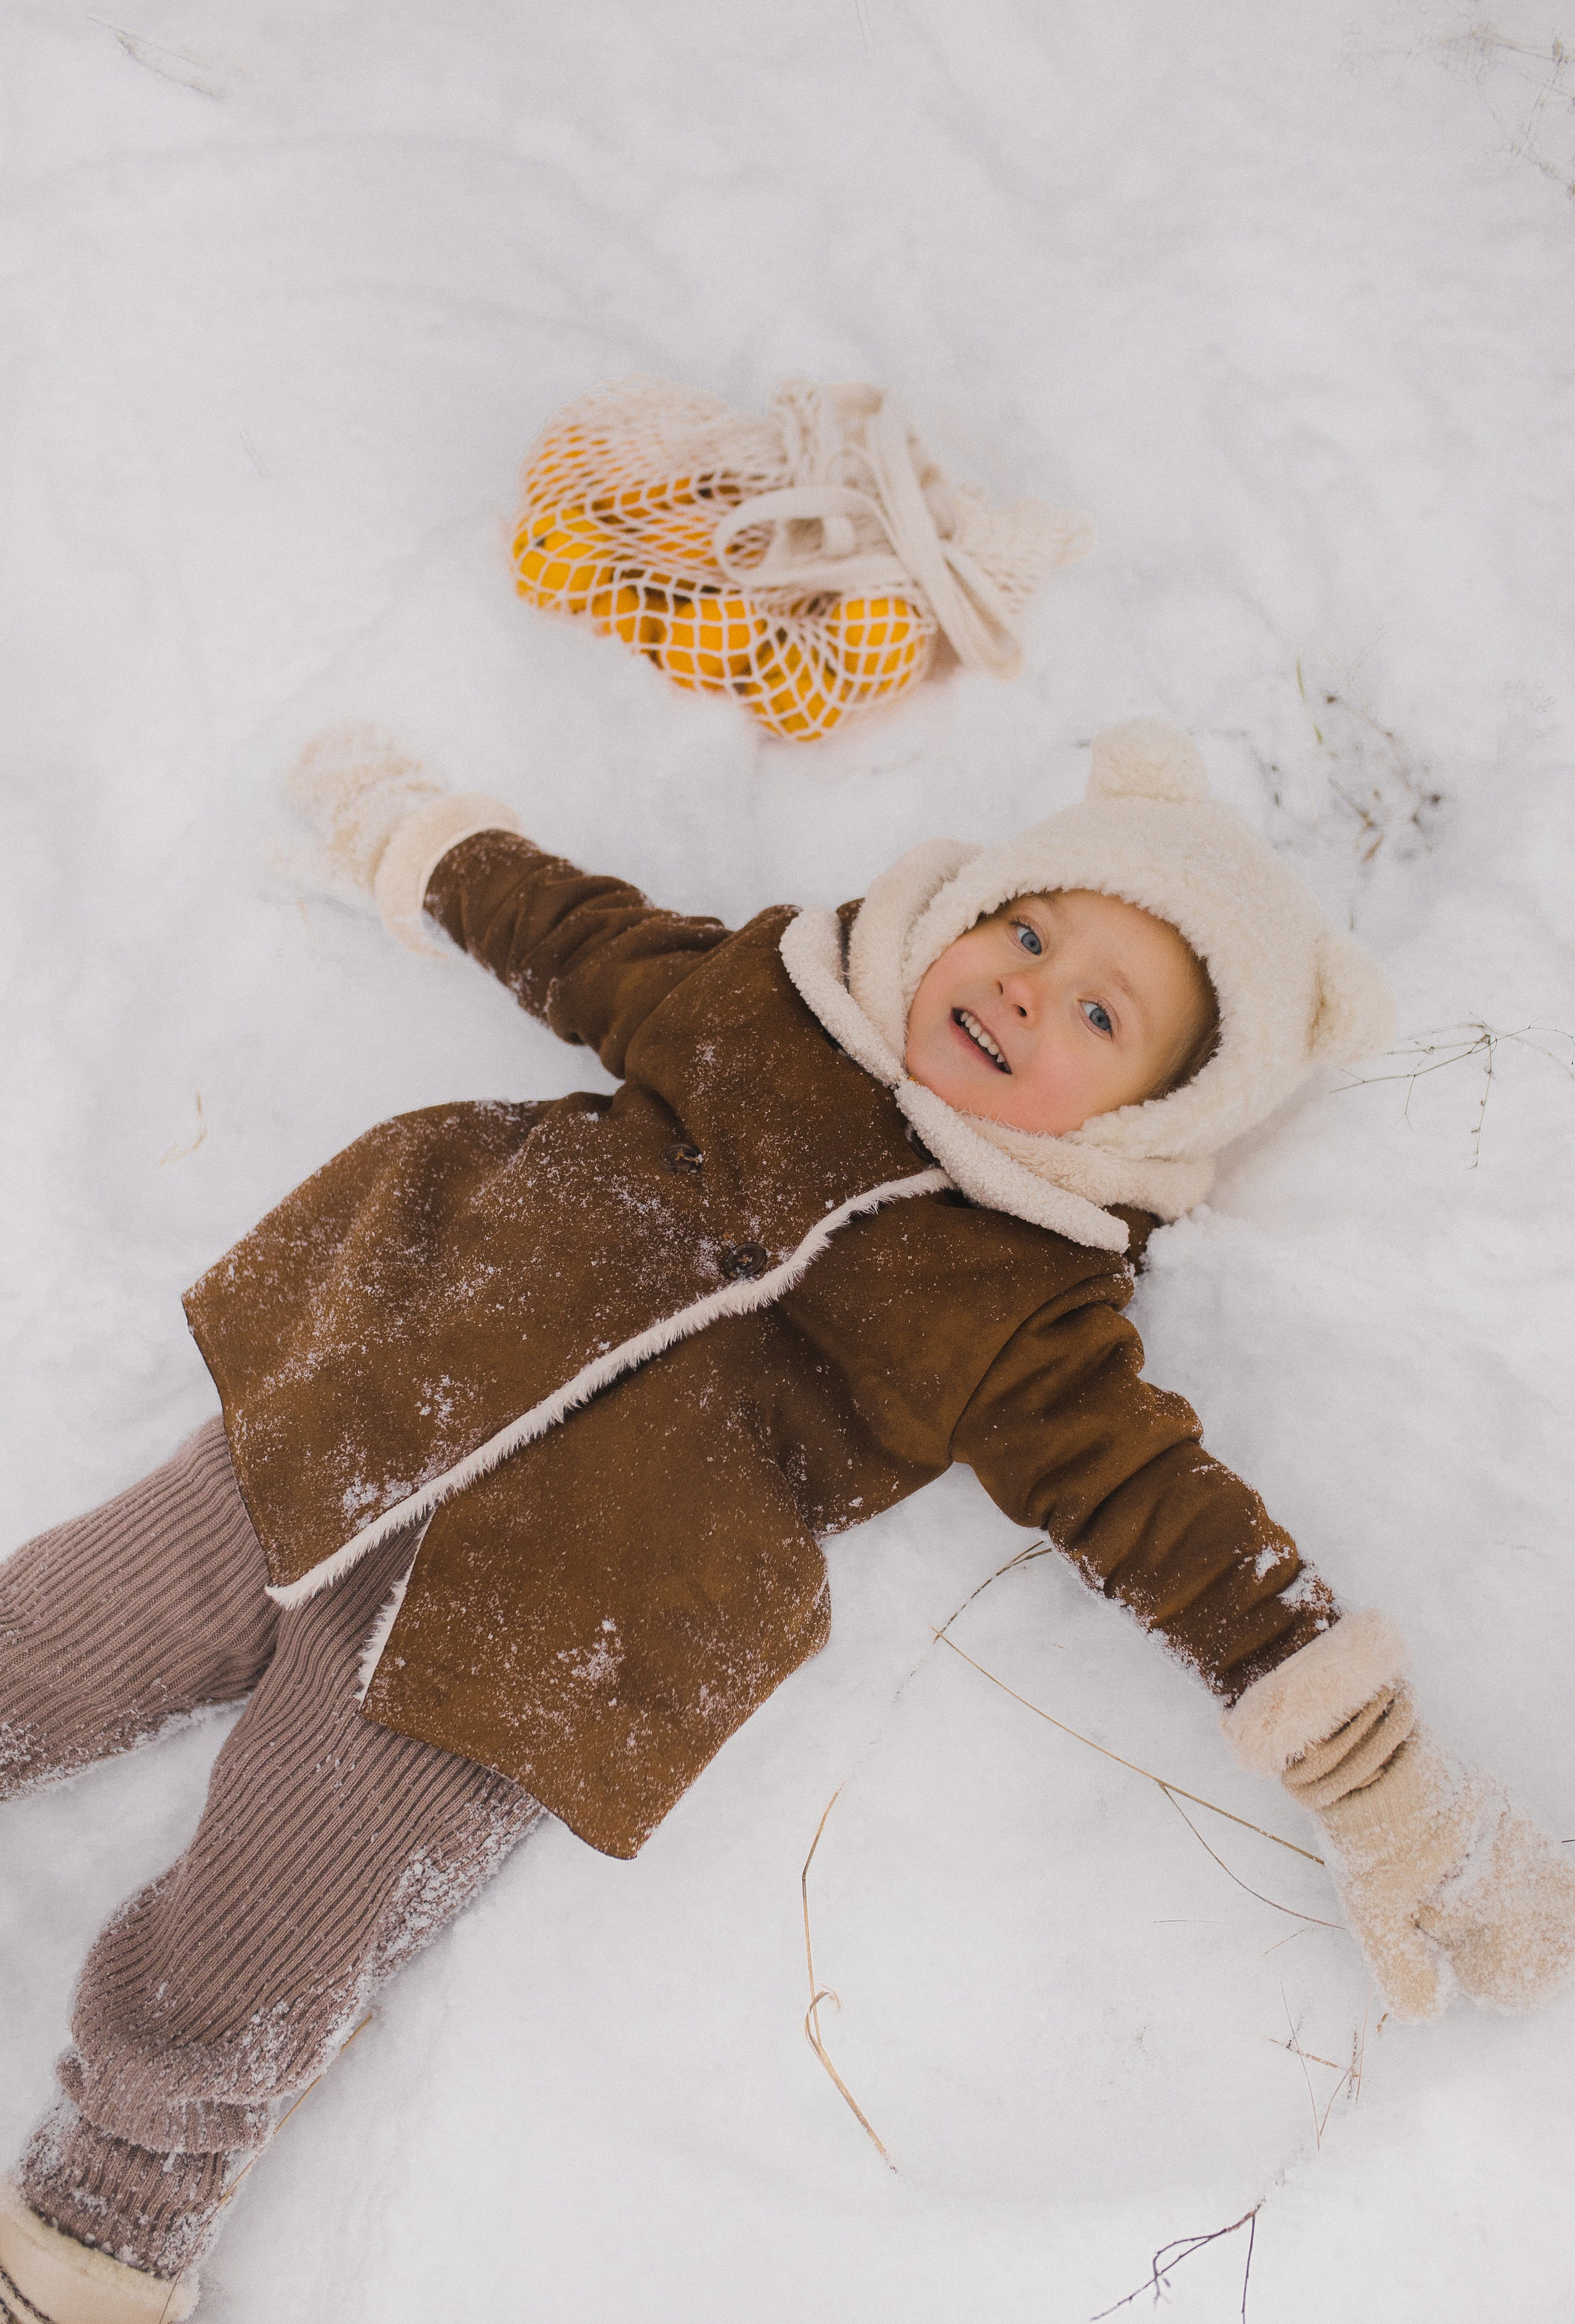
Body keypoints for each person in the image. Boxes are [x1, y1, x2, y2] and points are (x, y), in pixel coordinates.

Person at [2, 718, 1571, 2323]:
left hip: (531, 1648)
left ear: (1147, 1119)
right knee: (41, 1642)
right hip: (332, 1422)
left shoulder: (1029, 1308)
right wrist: (419, 837)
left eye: (1098, 1009)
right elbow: (570, 933)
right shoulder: (763, 1006)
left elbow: (1170, 1522)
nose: (1027, 984)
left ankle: (104, 2221)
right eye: (1027, 929)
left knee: (268, 1936)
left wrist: (1379, 1774)